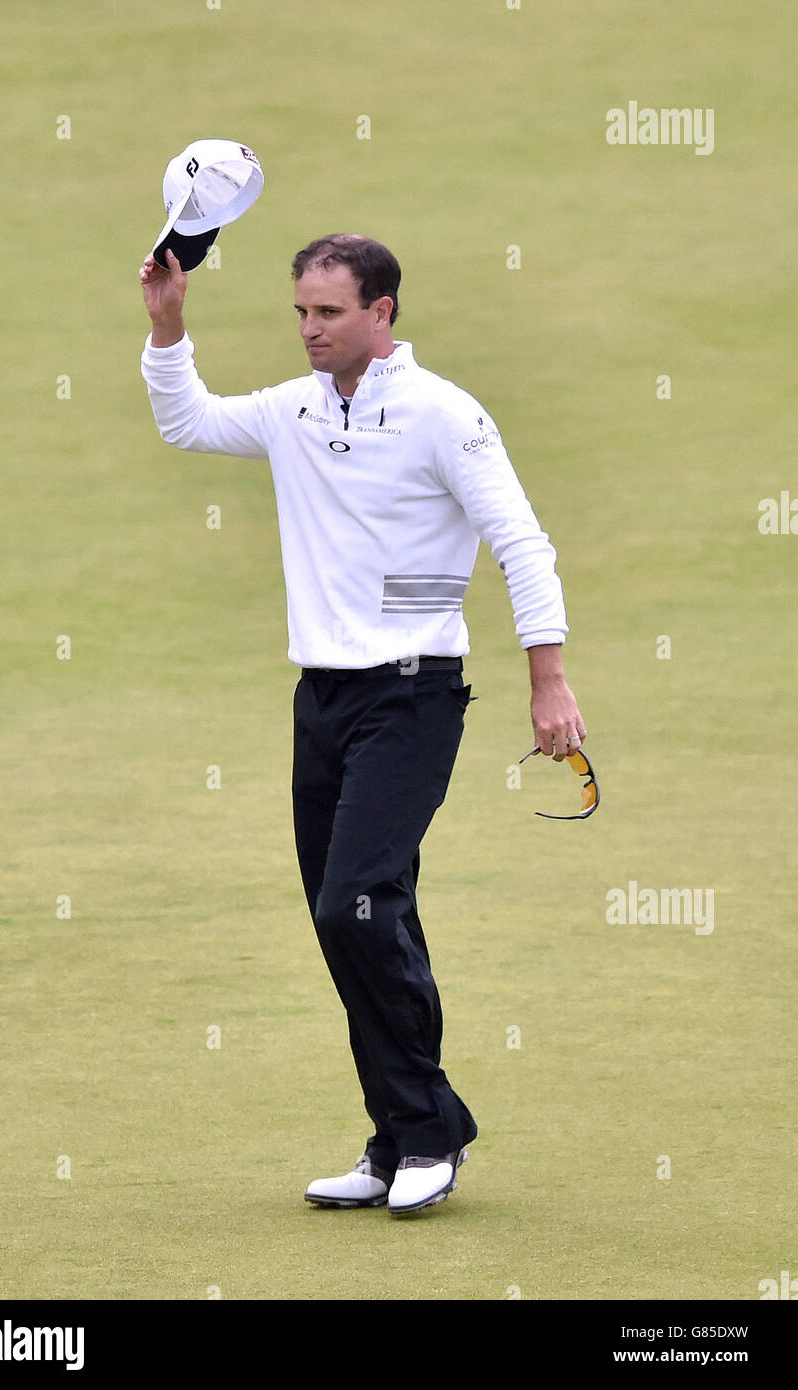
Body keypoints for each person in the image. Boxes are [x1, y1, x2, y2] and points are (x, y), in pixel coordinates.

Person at [139, 233, 587, 1216]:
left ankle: (431, 1131)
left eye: (328, 312)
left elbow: (520, 540)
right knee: (351, 920)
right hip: (323, 701)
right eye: (299, 311)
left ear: (381, 312)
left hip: (414, 694)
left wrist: (546, 678)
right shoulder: (293, 408)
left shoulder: (444, 415)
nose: (308, 329)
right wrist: (169, 326)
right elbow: (189, 423)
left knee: (357, 902)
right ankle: (393, 1140)